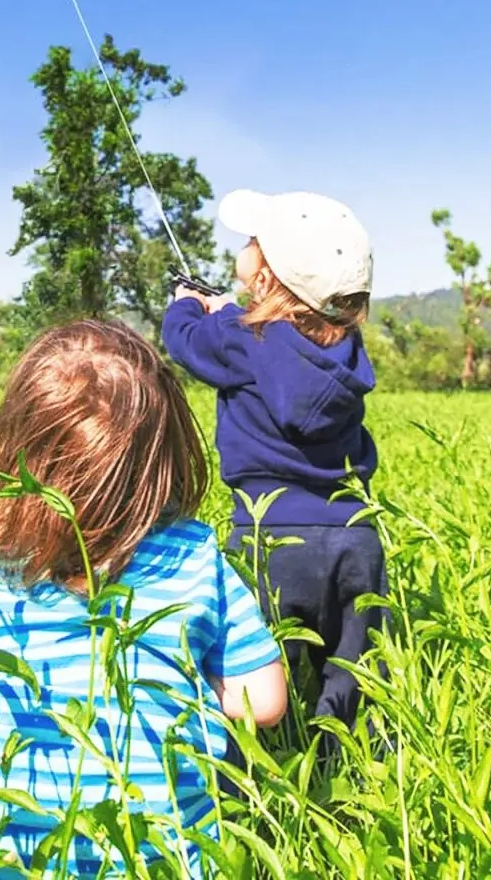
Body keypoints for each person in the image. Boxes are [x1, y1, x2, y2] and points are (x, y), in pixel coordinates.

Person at [0, 320, 286, 880]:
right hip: (158, 862)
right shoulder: (195, 560)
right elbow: (263, 701)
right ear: (163, 460)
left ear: (15, 455)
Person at [162, 190, 385, 761]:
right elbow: (290, 342)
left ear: (265, 280)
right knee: (352, 677)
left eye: (253, 242)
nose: (246, 245)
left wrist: (186, 303)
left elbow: (183, 342)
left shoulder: (242, 335)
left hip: (268, 534)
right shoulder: (349, 350)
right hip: (354, 535)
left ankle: (250, 780)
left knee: (250, 676)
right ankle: (351, 774)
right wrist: (230, 313)